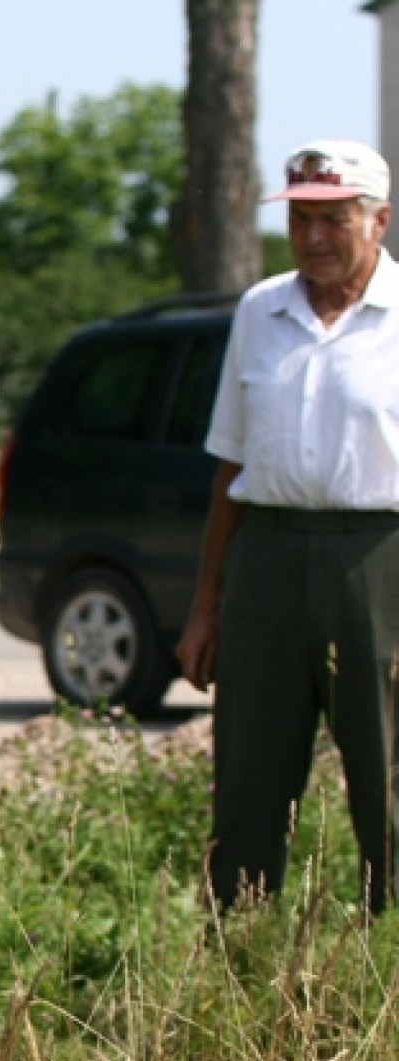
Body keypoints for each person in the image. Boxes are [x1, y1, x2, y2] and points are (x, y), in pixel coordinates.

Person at [177, 139, 399, 914]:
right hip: (266, 558)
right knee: (250, 784)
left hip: (379, 557)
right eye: (301, 219)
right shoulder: (260, 309)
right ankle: (241, 965)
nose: (312, 239)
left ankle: (389, 967)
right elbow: (230, 466)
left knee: (388, 780)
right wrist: (207, 607)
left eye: (333, 220)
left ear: (379, 221)